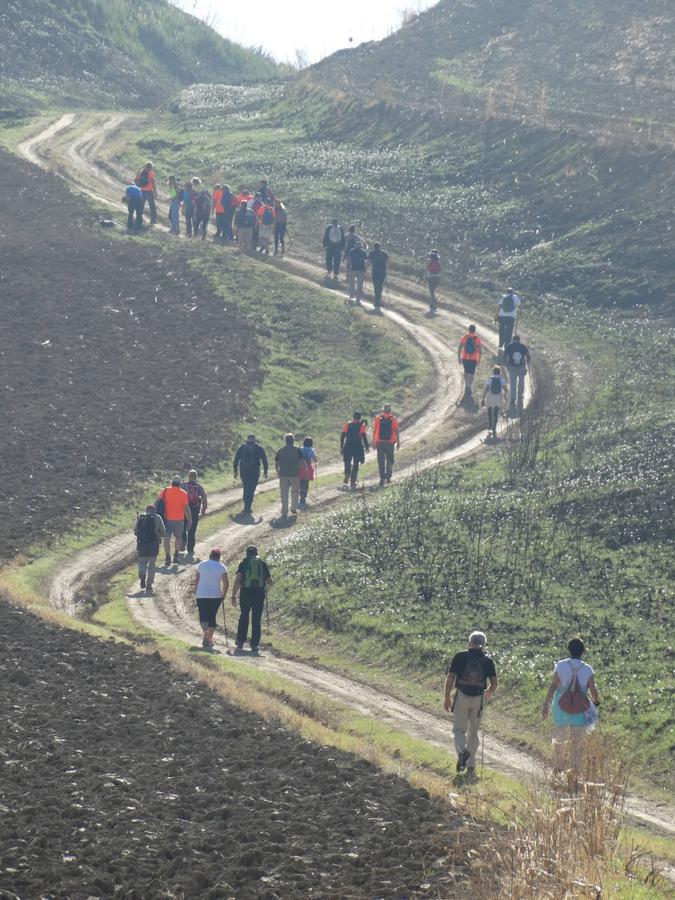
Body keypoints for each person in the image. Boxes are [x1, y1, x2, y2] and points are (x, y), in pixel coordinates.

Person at [444, 631, 498, 775]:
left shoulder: (460, 656)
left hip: (461, 695)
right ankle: (471, 765)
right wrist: (488, 693)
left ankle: (462, 753)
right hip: (478, 697)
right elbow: (494, 683)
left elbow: (450, 678)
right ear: (483, 645)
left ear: (470, 642)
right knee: (473, 732)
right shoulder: (488, 661)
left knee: (459, 730)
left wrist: (446, 697)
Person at [542, 638, 599, 773]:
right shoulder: (588, 669)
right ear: (583, 652)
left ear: (569, 649)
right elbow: (593, 691)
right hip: (580, 709)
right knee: (578, 742)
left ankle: (557, 767)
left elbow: (554, 685)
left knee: (560, 737)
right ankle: (574, 771)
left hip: (561, 706)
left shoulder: (561, 665)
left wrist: (545, 703)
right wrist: (596, 704)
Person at [231, 545, 273, 654]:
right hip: (259, 593)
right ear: (256, 553)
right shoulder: (262, 564)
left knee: (244, 615)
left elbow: (238, 580)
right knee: (256, 619)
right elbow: (270, 582)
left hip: (245, 592)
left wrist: (233, 595)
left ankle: (240, 641)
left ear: (247, 554)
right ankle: (254, 644)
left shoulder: (244, 563)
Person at [195, 547, 229, 650]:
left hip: (201, 595)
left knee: (203, 616)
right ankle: (209, 639)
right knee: (212, 617)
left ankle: (206, 636)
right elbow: (226, 584)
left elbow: (196, 580)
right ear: (219, 557)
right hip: (215, 595)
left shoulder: (201, 565)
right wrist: (223, 595)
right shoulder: (222, 567)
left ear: (210, 556)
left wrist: (197, 591)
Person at [156, 475, 192, 566]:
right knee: (178, 538)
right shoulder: (183, 493)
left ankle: (168, 557)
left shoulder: (165, 491)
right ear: (180, 484)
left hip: (167, 519)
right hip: (179, 520)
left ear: (172, 483)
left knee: (167, 539)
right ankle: (176, 555)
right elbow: (186, 508)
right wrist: (190, 520)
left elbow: (156, 502)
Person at [133, 504, 166, 593]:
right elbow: (163, 532)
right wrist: (157, 535)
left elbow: (135, 531)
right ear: (154, 510)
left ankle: (142, 575)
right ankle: (149, 585)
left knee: (142, 562)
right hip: (153, 544)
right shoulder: (158, 517)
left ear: (146, 510)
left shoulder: (141, 517)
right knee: (152, 564)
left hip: (142, 544)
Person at [233, 434, 269, 514]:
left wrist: (235, 471)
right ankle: (248, 506)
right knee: (251, 489)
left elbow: (236, 459)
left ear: (247, 439)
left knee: (246, 488)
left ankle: (246, 505)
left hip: (244, 472)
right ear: (254, 440)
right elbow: (264, 460)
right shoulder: (259, 448)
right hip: (255, 472)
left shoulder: (242, 448)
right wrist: (265, 471)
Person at [274, 433, 303, 519]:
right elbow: (301, 462)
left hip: (283, 475)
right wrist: (300, 471)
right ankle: (293, 508)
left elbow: (276, 463)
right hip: (295, 474)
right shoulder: (298, 450)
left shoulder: (280, 450)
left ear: (285, 440)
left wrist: (278, 473)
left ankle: (284, 511)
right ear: (293, 440)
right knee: (295, 492)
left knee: (284, 494)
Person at [181, 469, 207, 558]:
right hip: (195, 510)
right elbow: (204, 497)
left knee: (183, 527)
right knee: (192, 531)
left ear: (188, 476)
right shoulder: (199, 487)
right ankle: (190, 549)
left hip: (184, 509)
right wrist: (203, 510)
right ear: (196, 477)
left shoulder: (183, 485)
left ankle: (183, 541)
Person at [341, 411, 369, 490]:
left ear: (353, 417)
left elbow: (343, 436)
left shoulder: (348, 424)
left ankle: (346, 476)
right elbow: (363, 436)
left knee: (347, 462)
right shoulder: (361, 425)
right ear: (360, 417)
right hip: (357, 446)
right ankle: (353, 482)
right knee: (356, 463)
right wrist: (367, 446)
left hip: (348, 445)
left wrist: (341, 447)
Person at [373, 403, 400, 486]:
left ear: (383, 410)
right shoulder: (393, 418)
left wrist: (374, 442)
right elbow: (396, 431)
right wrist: (398, 442)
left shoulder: (378, 418)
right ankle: (388, 477)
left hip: (380, 443)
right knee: (390, 460)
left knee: (381, 461)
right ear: (390, 410)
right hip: (389, 442)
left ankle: (382, 478)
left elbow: (375, 430)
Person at [504, 333, 530, 410]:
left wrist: (507, 366)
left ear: (513, 340)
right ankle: (520, 396)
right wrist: (527, 364)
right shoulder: (523, 346)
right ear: (519, 340)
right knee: (521, 381)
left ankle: (513, 398)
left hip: (512, 367)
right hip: (521, 366)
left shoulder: (509, 346)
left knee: (513, 383)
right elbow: (528, 356)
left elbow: (504, 356)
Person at [481, 366, 507, 438]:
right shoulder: (501, 379)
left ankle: (490, 424)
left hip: (490, 395)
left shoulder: (489, 379)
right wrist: (505, 397)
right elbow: (506, 389)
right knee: (496, 411)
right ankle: (494, 427)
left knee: (489, 410)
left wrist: (483, 398)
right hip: (498, 396)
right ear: (499, 372)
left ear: (493, 371)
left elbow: (486, 389)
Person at [458, 324, 482, 399]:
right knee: (471, 374)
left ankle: (467, 385)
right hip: (473, 359)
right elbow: (480, 351)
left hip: (465, 358)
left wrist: (459, 357)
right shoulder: (477, 339)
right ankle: (469, 386)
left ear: (469, 330)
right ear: (474, 330)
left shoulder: (464, 337)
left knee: (466, 372)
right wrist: (479, 360)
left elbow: (460, 348)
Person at [298, 436, 317, 509]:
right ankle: (303, 496)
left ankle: (301, 496)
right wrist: (315, 462)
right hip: (308, 467)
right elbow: (315, 459)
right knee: (306, 483)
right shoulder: (311, 450)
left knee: (300, 482)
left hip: (300, 467)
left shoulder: (300, 449)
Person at [368, 243, 389, 309]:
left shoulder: (372, 253)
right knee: (380, 286)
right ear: (379, 247)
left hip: (375, 272)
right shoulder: (384, 253)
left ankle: (377, 301)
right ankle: (378, 300)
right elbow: (387, 262)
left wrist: (365, 269)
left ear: (374, 247)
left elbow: (369, 261)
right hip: (382, 272)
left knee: (376, 286)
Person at [347, 240, 368, 305]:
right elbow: (366, 261)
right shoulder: (363, 252)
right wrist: (366, 269)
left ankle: (352, 296)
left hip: (354, 269)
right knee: (359, 285)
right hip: (360, 270)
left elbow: (349, 259)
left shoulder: (352, 251)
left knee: (352, 283)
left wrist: (348, 265)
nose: (358, 246)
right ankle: (357, 299)